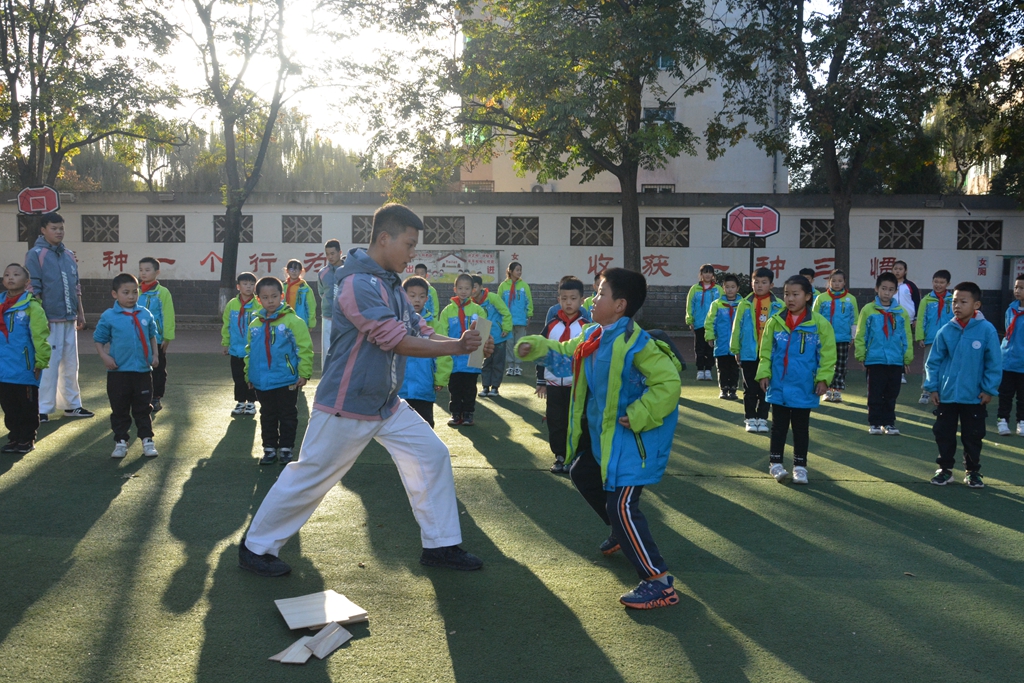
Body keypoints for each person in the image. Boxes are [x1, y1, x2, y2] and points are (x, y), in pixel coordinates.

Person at [238, 203, 488, 578]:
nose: (412, 253)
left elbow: (418, 329)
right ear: (383, 239)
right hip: (347, 403)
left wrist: (463, 340)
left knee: (431, 455)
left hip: (386, 404)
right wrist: (457, 347)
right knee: (311, 475)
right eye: (408, 244)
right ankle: (256, 547)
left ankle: (440, 546)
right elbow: (395, 340)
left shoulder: (391, 284)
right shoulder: (356, 283)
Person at [516, 268, 682, 609]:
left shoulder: (638, 344)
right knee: (582, 472)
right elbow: (564, 355)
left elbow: (668, 385)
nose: (593, 298)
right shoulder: (594, 334)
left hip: (631, 442)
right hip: (603, 439)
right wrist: (535, 347)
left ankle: (659, 581)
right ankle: (622, 534)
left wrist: (638, 414)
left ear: (620, 305)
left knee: (622, 505)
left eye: (601, 293)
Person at [756, 275, 836, 484]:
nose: (790, 299)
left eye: (795, 294)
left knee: (801, 427)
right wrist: (764, 374)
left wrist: (823, 379)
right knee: (779, 426)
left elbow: (827, 355)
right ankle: (775, 463)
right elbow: (766, 352)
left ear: (808, 296)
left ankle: (800, 466)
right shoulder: (775, 321)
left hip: (804, 385)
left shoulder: (819, 324)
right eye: (786, 294)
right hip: (779, 384)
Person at [924, 281, 1001, 488]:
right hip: (947, 395)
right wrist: (932, 387)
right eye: (954, 301)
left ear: (976, 305)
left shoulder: (986, 331)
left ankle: (973, 471)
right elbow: (933, 361)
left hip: (974, 396)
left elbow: (994, 363)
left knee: (973, 436)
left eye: (963, 302)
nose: (957, 306)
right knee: (943, 433)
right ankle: (945, 469)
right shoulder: (946, 330)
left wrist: (988, 389)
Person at [25, 212, 94, 422]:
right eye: (54, 228)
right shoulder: (35, 254)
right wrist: (40, 316)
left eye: (61, 228)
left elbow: (76, 286)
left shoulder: (69, 255)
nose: (58, 232)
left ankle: (73, 405)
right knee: (49, 363)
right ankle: (42, 409)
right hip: (48, 320)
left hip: (69, 318)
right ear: (43, 230)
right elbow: (32, 286)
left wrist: (80, 312)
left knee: (71, 363)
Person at [244, 277, 314, 466]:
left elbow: (304, 348)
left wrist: (303, 373)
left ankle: (286, 449)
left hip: (286, 379)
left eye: (274, 296)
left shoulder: (293, 321)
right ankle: (269, 449)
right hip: (262, 382)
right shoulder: (255, 325)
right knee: (267, 414)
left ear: (281, 296)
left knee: (288, 414)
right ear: (258, 299)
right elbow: (250, 352)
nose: (271, 301)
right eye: (265, 297)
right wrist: (249, 375)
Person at [93, 273, 159, 459]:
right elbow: (99, 339)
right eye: (126, 292)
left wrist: (155, 355)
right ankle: (121, 441)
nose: (131, 296)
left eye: (134, 292)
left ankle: (147, 440)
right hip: (118, 373)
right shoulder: (109, 316)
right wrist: (105, 356)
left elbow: (152, 336)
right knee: (120, 408)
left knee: (143, 408)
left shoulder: (145, 314)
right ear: (115, 294)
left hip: (143, 372)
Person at [536, 276, 590, 474]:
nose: (569, 302)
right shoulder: (551, 326)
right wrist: (541, 380)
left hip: (577, 386)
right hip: (553, 385)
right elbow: (541, 352)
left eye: (573, 298)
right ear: (558, 299)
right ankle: (559, 456)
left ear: (582, 300)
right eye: (564, 298)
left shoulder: (587, 327)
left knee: (577, 422)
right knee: (555, 421)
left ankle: (576, 456)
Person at [854, 272, 913, 435]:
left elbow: (906, 335)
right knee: (875, 393)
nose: (886, 293)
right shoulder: (868, 310)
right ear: (876, 289)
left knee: (891, 393)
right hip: (875, 358)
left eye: (890, 290)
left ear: (895, 291)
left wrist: (907, 357)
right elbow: (861, 334)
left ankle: (889, 422)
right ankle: (874, 422)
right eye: (883, 289)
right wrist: (861, 354)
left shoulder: (900, 312)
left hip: (895, 360)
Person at [0, 263, 51, 453]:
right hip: (3, 369)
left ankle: (27, 438)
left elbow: (40, 336)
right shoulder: (0, 304)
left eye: (15, 274)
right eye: (6, 274)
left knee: (27, 406)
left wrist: (41, 361)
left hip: (25, 367)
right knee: (8, 406)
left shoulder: (32, 306)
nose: (10, 278)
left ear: (27, 281)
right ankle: (14, 437)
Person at [731, 268, 783, 433]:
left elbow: (783, 331)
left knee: (766, 387)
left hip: (769, 354)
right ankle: (750, 418)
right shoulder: (744, 304)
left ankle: (762, 418)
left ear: (771, 284)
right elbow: (736, 328)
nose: (759, 286)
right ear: (751, 283)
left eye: (764, 282)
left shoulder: (779, 305)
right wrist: (735, 348)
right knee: (750, 388)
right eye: (756, 282)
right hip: (748, 352)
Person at [398, 276, 452, 427]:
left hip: (424, 386)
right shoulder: (396, 322)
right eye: (412, 296)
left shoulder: (434, 324)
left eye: (421, 297)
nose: (417, 300)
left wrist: (440, 378)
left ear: (427, 298)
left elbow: (444, 352)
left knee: (425, 425)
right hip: (400, 388)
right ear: (403, 296)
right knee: (401, 429)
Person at [439, 274, 487, 426]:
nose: (463, 291)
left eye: (467, 288)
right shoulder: (447, 311)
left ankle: (468, 414)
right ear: (454, 289)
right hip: (453, 358)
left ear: (473, 290)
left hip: (471, 358)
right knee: (454, 388)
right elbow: (442, 333)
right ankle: (455, 414)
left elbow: (483, 333)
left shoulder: (478, 310)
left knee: (470, 388)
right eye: (460, 288)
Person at [812, 269, 858, 402]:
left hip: (842, 338)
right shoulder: (821, 298)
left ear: (844, 282)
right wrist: (815, 335)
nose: (837, 284)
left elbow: (854, 319)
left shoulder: (851, 299)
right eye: (834, 281)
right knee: (824, 363)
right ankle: (825, 388)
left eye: (840, 281)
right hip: (824, 337)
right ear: (829, 282)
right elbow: (815, 317)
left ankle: (837, 389)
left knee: (841, 364)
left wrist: (853, 336)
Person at [137, 257, 175, 413]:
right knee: (139, 368)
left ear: (157, 272)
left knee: (158, 369)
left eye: (147, 270)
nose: (143, 273)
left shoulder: (162, 292)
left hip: (157, 339)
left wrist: (167, 337)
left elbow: (168, 314)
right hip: (138, 339)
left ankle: (156, 398)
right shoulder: (136, 291)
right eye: (140, 270)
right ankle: (140, 397)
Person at [221, 272, 260, 416]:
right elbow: (227, 325)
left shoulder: (258, 304)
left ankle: (251, 402)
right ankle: (240, 402)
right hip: (236, 349)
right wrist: (226, 343)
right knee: (237, 377)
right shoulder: (232, 304)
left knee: (251, 376)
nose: (248, 287)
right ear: (238, 286)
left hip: (253, 350)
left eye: (251, 284)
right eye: (245, 284)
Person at [914, 270, 953, 404]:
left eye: (942, 282)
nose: (938, 285)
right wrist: (920, 337)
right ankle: (926, 390)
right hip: (931, 338)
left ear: (948, 283)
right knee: (928, 364)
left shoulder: (952, 300)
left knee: (946, 364)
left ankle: (944, 390)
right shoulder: (926, 300)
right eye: (936, 282)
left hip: (949, 339)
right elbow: (921, 319)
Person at [471, 274, 512, 397]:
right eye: (470, 287)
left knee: (498, 363)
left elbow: (506, 313)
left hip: (499, 336)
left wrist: (506, 328)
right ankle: (485, 387)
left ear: (481, 287)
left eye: (475, 287)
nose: (472, 290)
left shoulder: (493, 298)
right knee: (486, 363)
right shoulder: (470, 304)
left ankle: (495, 388)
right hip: (483, 337)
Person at [704, 274, 742, 400]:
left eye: (733, 287)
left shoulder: (743, 304)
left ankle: (733, 389)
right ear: (723, 288)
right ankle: (723, 389)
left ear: (738, 288)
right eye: (727, 287)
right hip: (721, 343)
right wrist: (710, 336)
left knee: (734, 368)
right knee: (722, 368)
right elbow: (710, 322)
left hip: (737, 344)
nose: (730, 290)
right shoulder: (717, 304)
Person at [685, 264, 723, 381]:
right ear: (701, 275)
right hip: (699, 323)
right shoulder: (694, 289)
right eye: (705, 272)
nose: (707, 275)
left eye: (710, 272)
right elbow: (689, 305)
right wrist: (690, 320)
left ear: (713, 275)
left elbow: (723, 305)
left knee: (710, 347)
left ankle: (708, 370)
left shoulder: (718, 289)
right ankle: (700, 370)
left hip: (713, 324)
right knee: (699, 347)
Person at [997, 273, 1024, 437]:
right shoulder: (1010, 309)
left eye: (1021, 288)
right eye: (1016, 287)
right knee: (1005, 394)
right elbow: (1008, 332)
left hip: (1023, 363)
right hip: (1007, 361)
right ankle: (1002, 420)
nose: (1017, 290)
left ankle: (1021, 421)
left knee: (1023, 396)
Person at [498, 261, 533, 376]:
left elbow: (529, 301)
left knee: (519, 343)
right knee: (509, 343)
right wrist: (501, 319)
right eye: (517, 270)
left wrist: (529, 315)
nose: (519, 272)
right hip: (508, 321)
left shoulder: (524, 286)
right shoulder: (503, 286)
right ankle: (510, 366)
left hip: (521, 320)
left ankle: (517, 366)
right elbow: (499, 303)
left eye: (520, 270)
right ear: (511, 271)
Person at [317, 240, 344, 371]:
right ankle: (325, 383)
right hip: (327, 317)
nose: (330, 257)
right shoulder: (322, 273)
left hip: (346, 317)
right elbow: (322, 292)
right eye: (327, 254)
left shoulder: (349, 271)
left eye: (333, 253)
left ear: (340, 252)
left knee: (344, 349)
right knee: (327, 350)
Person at [891, 260, 919, 384]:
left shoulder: (910, 286)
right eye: (895, 268)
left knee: (903, 346)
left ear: (905, 271)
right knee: (891, 345)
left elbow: (917, 302)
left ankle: (901, 372)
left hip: (906, 320)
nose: (897, 271)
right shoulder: (889, 285)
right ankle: (891, 370)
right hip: (890, 319)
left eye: (900, 269)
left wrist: (916, 318)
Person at [283, 259, 317, 329]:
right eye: (292, 269)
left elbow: (311, 306)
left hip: (300, 321)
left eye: (297, 269)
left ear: (301, 271)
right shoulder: (283, 287)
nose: (294, 272)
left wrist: (311, 323)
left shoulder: (305, 288)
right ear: (287, 271)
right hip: (284, 320)